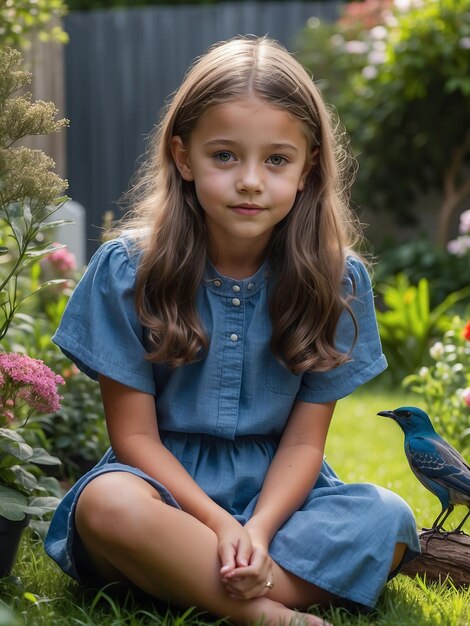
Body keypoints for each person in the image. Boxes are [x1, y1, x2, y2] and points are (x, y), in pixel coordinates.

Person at [45, 36, 420, 626]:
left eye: (276, 159)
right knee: (106, 506)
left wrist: (260, 528)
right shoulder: (127, 270)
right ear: (183, 157)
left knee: (389, 518)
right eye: (225, 156)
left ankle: (198, 578)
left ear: (309, 167)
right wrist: (220, 524)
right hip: (159, 491)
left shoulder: (336, 280)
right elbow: (134, 440)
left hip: (282, 502)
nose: (250, 181)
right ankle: (267, 614)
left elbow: (302, 444)